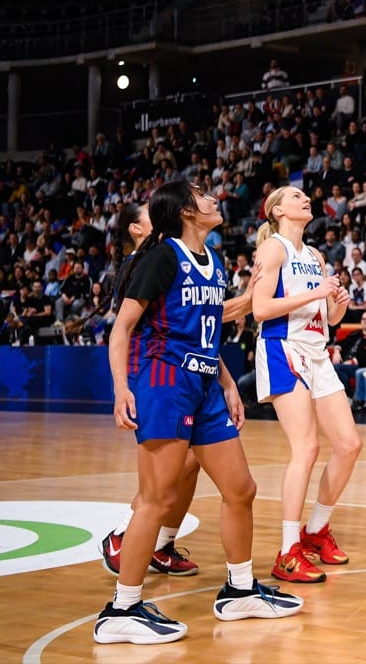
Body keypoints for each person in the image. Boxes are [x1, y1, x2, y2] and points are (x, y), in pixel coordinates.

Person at [96, 181, 302, 645]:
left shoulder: (215, 264)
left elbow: (205, 335)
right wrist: (121, 389)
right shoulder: (161, 256)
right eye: (203, 196)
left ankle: (240, 590)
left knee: (241, 488)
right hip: (163, 383)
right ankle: (122, 609)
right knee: (157, 498)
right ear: (187, 212)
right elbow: (122, 329)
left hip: (206, 383)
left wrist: (228, 384)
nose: (213, 200)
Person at [99, 203, 255, 580]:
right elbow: (144, 329)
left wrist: (227, 382)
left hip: (193, 375)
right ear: (137, 229)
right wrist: (252, 299)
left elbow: (199, 325)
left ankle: (164, 544)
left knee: (197, 464)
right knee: (164, 481)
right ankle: (124, 537)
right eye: (149, 213)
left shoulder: (192, 258)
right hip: (157, 378)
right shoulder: (146, 262)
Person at [252, 186, 361, 584]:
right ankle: (286, 551)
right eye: (296, 196)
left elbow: (329, 319)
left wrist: (338, 302)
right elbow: (260, 309)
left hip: (317, 350)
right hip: (282, 347)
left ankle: (315, 529)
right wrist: (316, 292)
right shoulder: (272, 250)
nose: (305, 200)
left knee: (349, 445)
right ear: (278, 209)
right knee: (307, 447)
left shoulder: (314, 255)